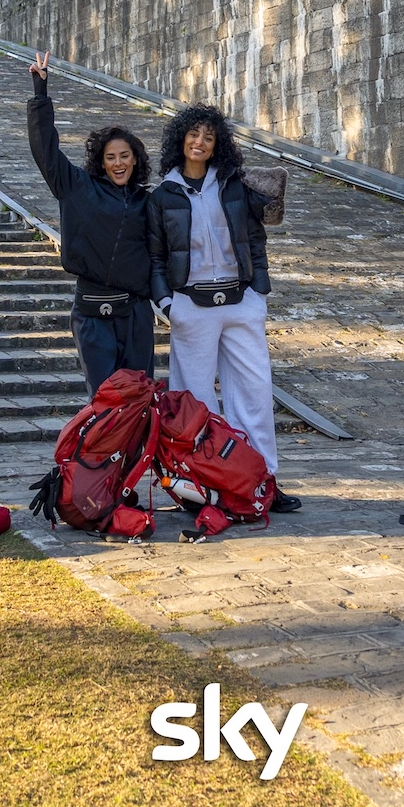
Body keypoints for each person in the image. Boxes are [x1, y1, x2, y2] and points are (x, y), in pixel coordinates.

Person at [148, 104, 300, 512]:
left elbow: (255, 240)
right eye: (193, 134)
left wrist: (259, 295)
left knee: (253, 393)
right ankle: (200, 485)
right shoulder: (163, 196)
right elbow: (156, 256)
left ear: (218, 145)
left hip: (240, 300)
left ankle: (263, 482)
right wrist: (167, 304)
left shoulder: (234, 187)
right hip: (190, 305)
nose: (199, 142)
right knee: (194, 400)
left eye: (208, 137)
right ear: (180, 139)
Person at [27, 51, 154, 397]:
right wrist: (41, 95)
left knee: (140, 399)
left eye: (124, 156)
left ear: (135, 160)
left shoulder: (147, 201)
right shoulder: (77, 187)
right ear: (100, 161)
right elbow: (46, 151)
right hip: (92, 313)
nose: (117, 163)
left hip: (135, 315)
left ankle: (138, 454)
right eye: (110, 157)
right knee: (105, 400)